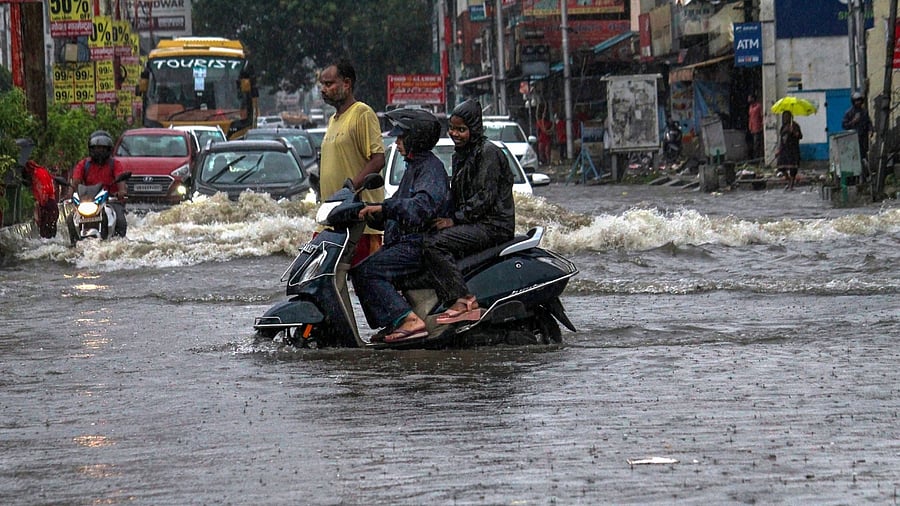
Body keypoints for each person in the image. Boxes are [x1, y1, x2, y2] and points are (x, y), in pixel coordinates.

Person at [350, 109, 450, 344]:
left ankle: (408, 321)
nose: (396, 142)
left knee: (367, 271)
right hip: (404, 242)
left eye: (401, 137)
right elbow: (399, 206)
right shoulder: (413, 166)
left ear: (416, 138)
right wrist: (370, 212)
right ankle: (395, 320)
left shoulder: (430, 169)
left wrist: (385, 209)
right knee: (359, 269)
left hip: (418, 245)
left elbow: (421, 207)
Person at [422, 99, 516, 325]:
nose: (455, 134)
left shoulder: (488, 153)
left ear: (474, 129)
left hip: (493, 226)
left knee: (434, 244)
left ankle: (463, 301)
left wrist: (454, 220)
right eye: (452, 128)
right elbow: (456, 194)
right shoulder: (461, 155)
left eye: (461, 129)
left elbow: (484, 197)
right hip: (475, 223)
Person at [317, 60, 386, 266]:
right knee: (321, 278)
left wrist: (350, 189)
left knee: (366, 283)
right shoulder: (333, 120)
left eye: (329, 84)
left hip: (359, 223)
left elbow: (378, 159)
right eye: (322, 85)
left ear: (347, 84)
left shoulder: (362, 113)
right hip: (331, 219)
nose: (324, 90)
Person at [66, 130, 128, 239]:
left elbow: (120, 180)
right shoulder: (84, 164)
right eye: (96, 148)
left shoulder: (115, 164)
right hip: (88, 201)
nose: (100, 151)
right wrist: (70, 194)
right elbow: (75, 181)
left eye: (103, 148)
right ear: (91, 149)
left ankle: (119, 243)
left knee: (120, 220)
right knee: (71, 219)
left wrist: (121, 192)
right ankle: (74, 243)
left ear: (108, 149)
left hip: (110, 201)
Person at [842, 91, 872, 174]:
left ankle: (865, 174)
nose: (858, 102)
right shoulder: (849, 113)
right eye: (856, 101)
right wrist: (853, 121)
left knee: (864, 155)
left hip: (863, 137)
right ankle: (856, 174)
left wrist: (870, 130)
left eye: (859, 100)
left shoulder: (864, 112)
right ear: (853, 102)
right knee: (855, 157)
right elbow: (844, 125)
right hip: (853, 139)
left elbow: (868, 122)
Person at [776, 111, 802, 191]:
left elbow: (800, 136)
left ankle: (791, 184)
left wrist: (793, 132)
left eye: (787, 116)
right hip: (784, 150)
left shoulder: (795, 125)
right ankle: (788, 180)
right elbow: (781, 139)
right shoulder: (783, 127)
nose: (785, 118)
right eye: (784, 117)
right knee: (781, 166)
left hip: (793, 150)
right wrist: (779, 149)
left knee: (793, 169)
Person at [747, 94, 763, 160]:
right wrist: (750, 125)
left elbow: (761, 116)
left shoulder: (758, 106)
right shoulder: (750, 107)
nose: (748, 100)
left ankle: (757, 158)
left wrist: (762, 125)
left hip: (758, 128)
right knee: (752, 144)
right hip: (752, 128)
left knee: (757, 144)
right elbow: (750, 117)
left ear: (753, 99)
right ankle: (753, 158)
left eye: (750, 98)